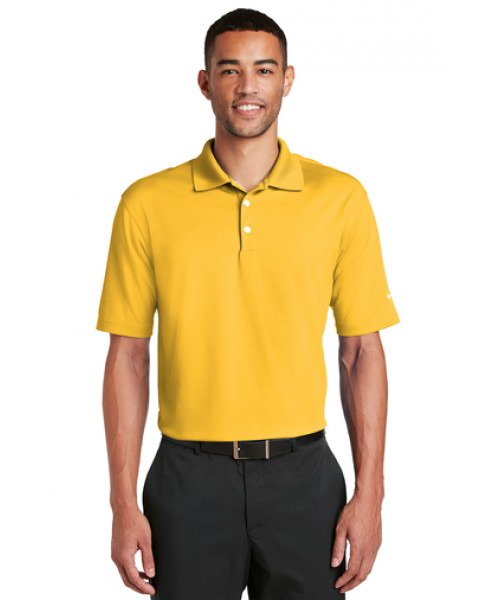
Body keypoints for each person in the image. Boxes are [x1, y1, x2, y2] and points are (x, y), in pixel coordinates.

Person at [96, 8, 400, 599]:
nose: (247, 86)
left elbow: (362, 352)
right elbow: (128, 356)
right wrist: (121, 503)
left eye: (264, 69)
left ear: (287, 79)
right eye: (229, 69)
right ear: (205, 82)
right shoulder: (146, 203)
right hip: (186, 481)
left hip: (304, 479)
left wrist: (371, 495)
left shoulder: (340, 199)